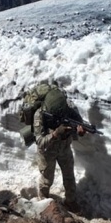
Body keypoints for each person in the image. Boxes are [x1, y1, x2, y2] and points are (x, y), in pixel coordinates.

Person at [28, 83, 86, 212]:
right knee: (47, 179)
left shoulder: (68, 108)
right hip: (47, 151)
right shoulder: (39, 115)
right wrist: (55, 134)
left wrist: (79, 131)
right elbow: (39, 141)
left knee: (69, 176)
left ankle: (70, 201)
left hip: (64, 148)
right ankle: (43, 202)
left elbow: (78, 123)